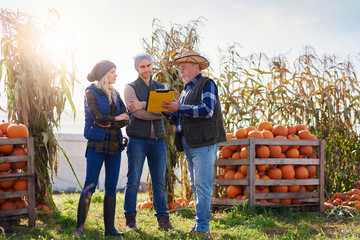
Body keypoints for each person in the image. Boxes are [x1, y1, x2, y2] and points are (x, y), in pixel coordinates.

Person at [162, 50, 226, 239]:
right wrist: (166, 111)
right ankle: (200, 225)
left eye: (184, 67)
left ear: (196, 67)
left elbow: (206, 110)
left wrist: (178, 107)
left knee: (202, 185)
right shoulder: (185, 91)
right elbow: (179, 120)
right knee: (196, 185)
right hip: (189, 143)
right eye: (179, 68)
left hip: (204, 143)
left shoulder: (207, 84)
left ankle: (203, 229)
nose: (181, 70)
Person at [123, 53, 177, 232]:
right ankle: (131, 222)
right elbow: (137, 114)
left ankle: (163, 222)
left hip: (158, 141)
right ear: (137, 69)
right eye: (142, 67)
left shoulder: (161, 87)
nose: (146, 70)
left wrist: (144, 104)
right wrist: (156, 108)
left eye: (148, 66)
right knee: (133, 181)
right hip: (137, 140)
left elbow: (166, 112)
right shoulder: (130, 88)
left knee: (159, 183)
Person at [76, 60, 130, 237]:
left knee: (111, 187)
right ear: (104, 75)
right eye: (113, 72)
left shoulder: (115, 93)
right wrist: (114, 120)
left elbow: (126, 118)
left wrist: (112, 121)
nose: (116, 75)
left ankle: (110, 229)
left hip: (115, 144)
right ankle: (80, 229)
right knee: (90, 185)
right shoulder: (90, 92)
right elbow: (97, 117)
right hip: (96, 144)